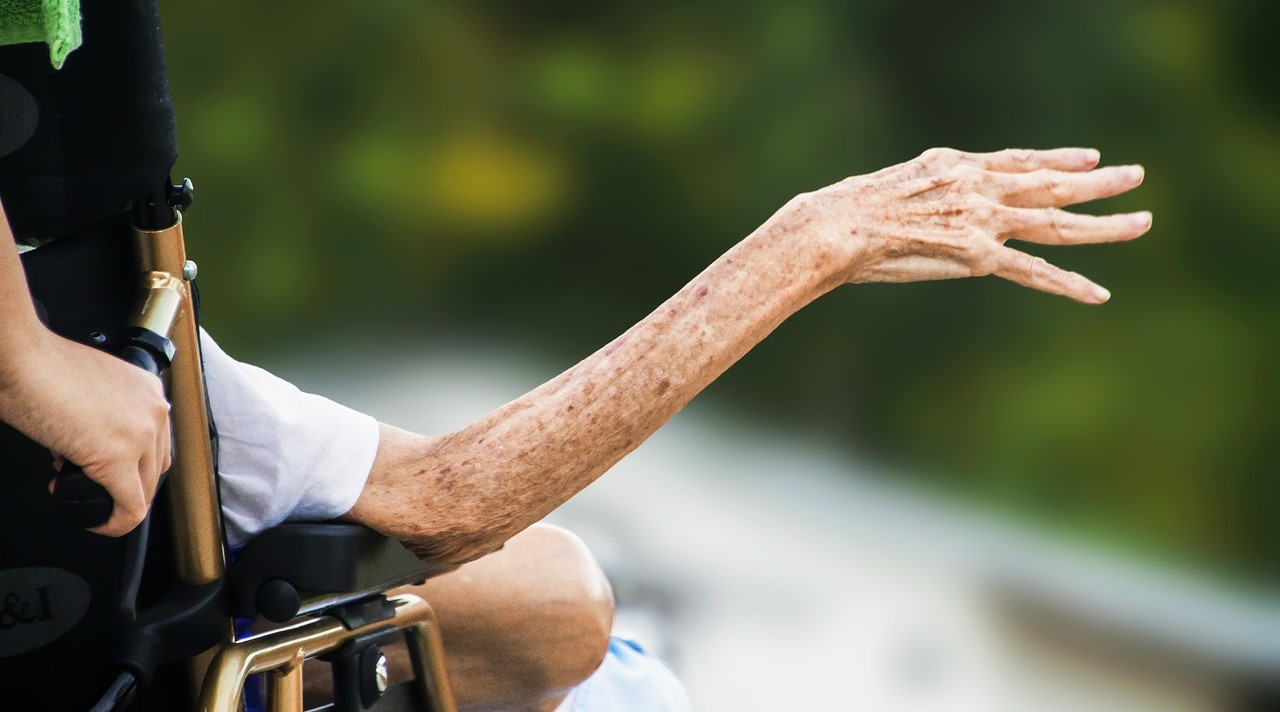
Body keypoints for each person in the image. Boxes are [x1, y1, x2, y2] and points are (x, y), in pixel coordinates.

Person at [0, 2, 1151, 710]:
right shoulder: (114, 358)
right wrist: (812, 240)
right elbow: (455, 502)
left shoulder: (120, 345)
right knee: (593, 646)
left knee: (560, 605)